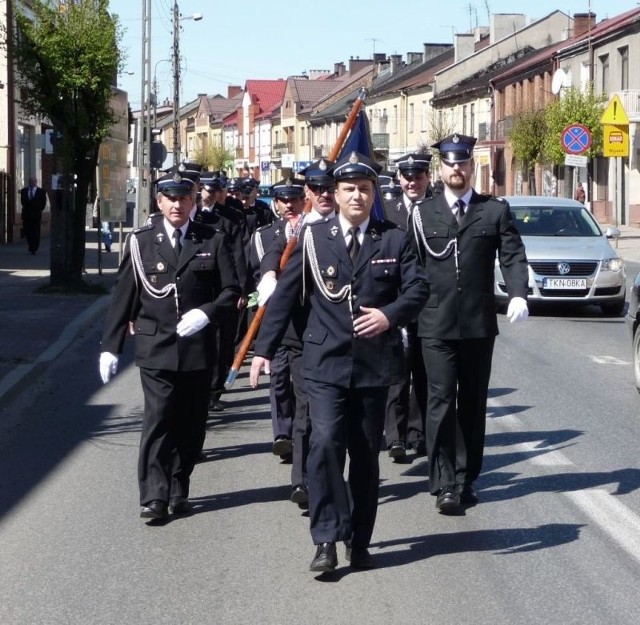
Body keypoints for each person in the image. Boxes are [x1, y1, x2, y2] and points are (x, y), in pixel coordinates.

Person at [250, 151, 429, 572]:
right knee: (326, 444)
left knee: (366, 456)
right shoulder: (313, 238)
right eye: (348, 189)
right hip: (324, 362)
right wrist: (263, 350)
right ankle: (327, 538)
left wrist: (390, 315)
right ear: (335, 193)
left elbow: (418, 290)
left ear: (373, 194)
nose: (356, 196)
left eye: (364, 189)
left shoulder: (394, 238)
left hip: (372, 365)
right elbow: (282, 299)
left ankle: (359, 539)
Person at [98, 167, 240, 522]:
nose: (177, 204)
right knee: (159, 418)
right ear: (159, 201)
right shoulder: (141, 241)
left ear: (193, 201)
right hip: (156, 345)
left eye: (184, 197)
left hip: (197, 346)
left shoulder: (212, 238)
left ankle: (179, 486)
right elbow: (123, 296)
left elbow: (231, 291)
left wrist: (208, 313)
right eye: (170, 198)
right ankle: (154, 496)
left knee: (192, 424)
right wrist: (110, 346)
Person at [408, 133, 529, 515]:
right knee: (440, 402)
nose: (456, 169)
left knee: (473, 404)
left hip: (477, 324)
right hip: (434, 323)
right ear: (440, 169)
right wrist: (399, 311)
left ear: (471, 167)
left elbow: (512, 255)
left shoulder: (493, 211)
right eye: (450, 163)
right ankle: (444, 481)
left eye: (463, 163)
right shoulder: (423, 215)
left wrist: (519, 293)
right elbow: (409, 267)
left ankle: (466, 477)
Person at [249, 178, 306, 464]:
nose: (289, 205)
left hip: (302, 317)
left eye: (295, 199)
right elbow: (255, 273)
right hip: (274, 316)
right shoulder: (263, 235)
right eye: (284, 200)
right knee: (279, 377)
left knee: (301, 384)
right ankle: (283, 434)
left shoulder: (311, 231)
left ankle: (299, 433)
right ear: (275, 203)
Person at [382, 153, 432, 461]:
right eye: (407, 177)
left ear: (427, 177)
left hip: (427, 304)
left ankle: (419, 432)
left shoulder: (437, 209)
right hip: (394, 301)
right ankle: (395, 436)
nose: (412, 182)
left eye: (418, 177)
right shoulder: (388, 211)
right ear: (399, 179)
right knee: (395, 373)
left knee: (423, 372)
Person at [20, 176, 48, 255]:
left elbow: (43, 203)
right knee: (28, 231)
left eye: (33, 181)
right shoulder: (24, 191)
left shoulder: (41, 191)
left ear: (36, 182)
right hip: (26, 215)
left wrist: (39, 210)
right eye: (30, 182)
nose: (32, 183)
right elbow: (22, 202)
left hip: (36, 215)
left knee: (35, 232)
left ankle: (34, 248)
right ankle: (31, 245)